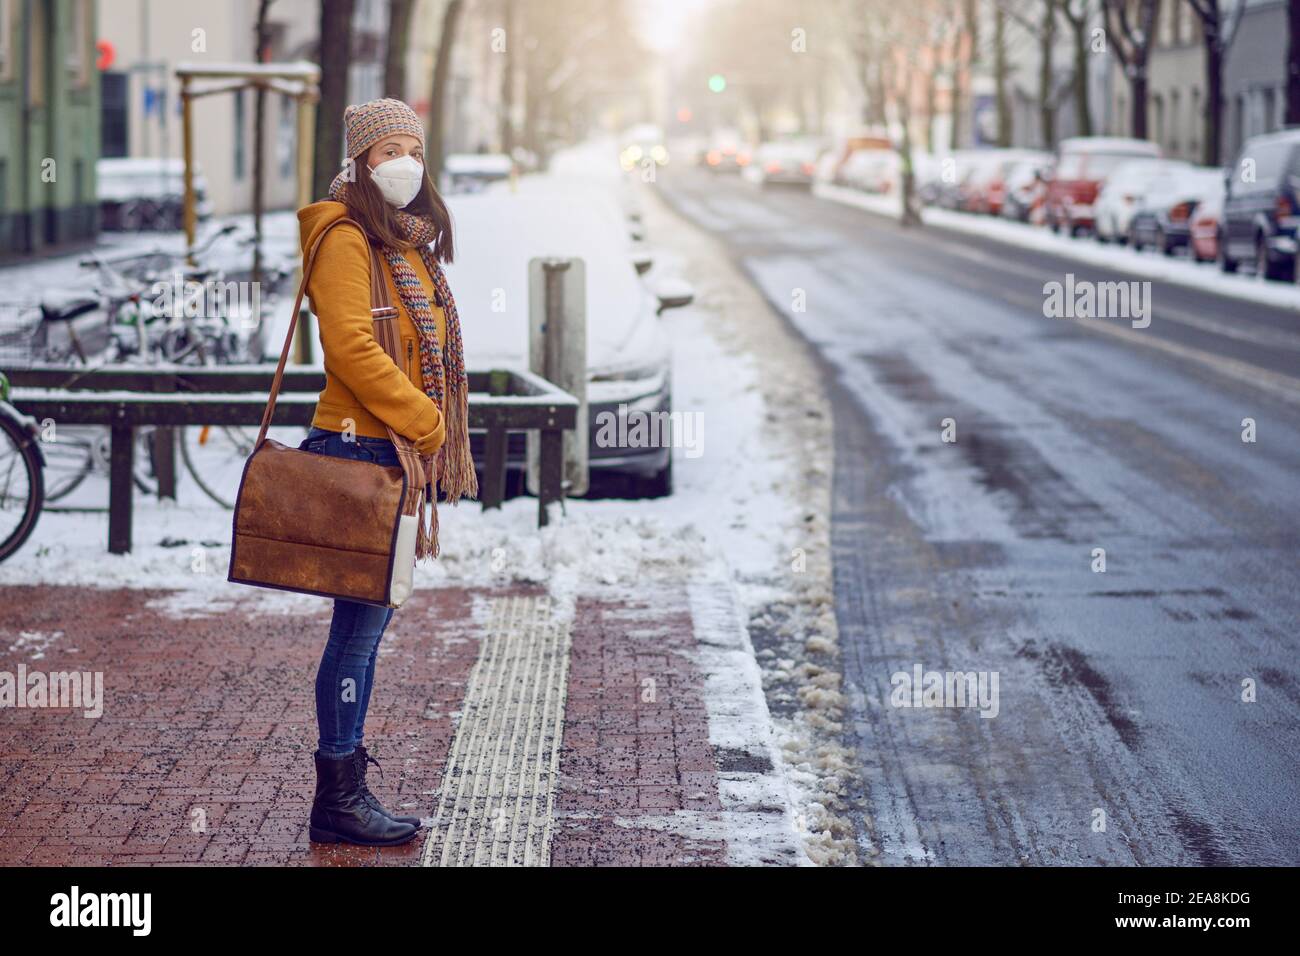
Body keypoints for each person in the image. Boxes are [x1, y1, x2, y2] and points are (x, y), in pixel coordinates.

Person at [295, 97, 477, 847]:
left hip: (393, 455)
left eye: (413, 146)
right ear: (360, 161)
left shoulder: (409, 245)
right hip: (362, 450)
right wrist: (427, 422)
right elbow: (350, 349)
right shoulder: (345, 236)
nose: (404, 161)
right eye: (387, 149)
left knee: (364, 631)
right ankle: (339, 795)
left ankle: (342, 789)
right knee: (356, 637)